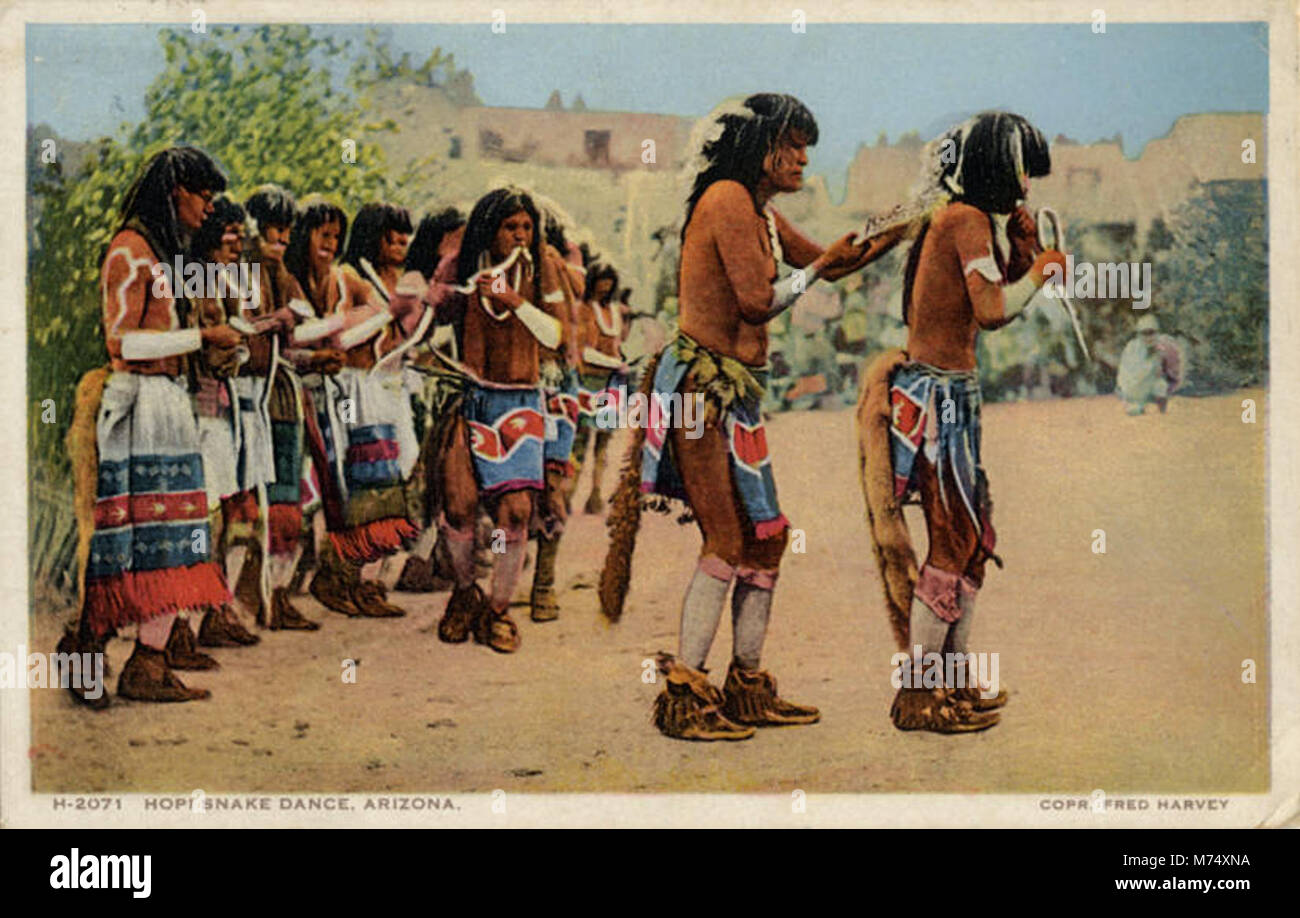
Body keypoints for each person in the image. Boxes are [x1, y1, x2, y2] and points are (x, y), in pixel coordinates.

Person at [606, 94, 903, 740]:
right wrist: (821, 267)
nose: (802, 159)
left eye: (806, 148)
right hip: (700, 390)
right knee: (726, 538)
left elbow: (835, 258)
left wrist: (906, 225)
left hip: (733, 393)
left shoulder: (760, 211)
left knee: (766, 537)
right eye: (793, 145)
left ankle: (745, 685)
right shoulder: (727, 202)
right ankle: (684, 696)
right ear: (760, 146)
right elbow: (758, 301)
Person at [857, 111, 1065, 733]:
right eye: (1022, 167)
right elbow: (995, 309)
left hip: (951, 395)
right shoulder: (966, 219)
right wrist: (1041, 271)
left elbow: (986, 301)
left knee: (970, 543)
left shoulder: (960, 221)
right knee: (952, 544)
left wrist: (1025, 254)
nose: (1028, 182)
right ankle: (922, 694)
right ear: (998, 167)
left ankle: (954, 681)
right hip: (938, 400)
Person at [64, 146, 239, 705]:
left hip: (167, 404)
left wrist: (216, 351)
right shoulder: (129, 252)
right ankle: (86, 650)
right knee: (127, 542)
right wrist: (202, 339)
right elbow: (123, 344)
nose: (208, 208)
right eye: (202, 195)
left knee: (171, 540)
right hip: (135, 406)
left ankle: (148, 662)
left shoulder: (165, 256)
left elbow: (170, 336)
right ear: (173, 193)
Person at [432, 186, 563, 653]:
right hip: (471, 401)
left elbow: (555, 333)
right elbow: (431, 318)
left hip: (521, 406)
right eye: (511, 227)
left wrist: (512, 300)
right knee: (460, 505)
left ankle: (499, 609)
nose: (521, 236)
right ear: (491, 228)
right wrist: (440, 298)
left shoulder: (540, 268)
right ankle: (465, 592)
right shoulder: (461, 267)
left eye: (527, 227)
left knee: (516, 512)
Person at [236, 185, 320, 631]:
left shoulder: (282, 274)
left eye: (287, 232)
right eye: (273, 230)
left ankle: (279, 594)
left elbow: (297, 323)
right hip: (249, 401)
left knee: (288, 508)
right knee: (247, 510)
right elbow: (240, 335)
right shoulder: (236, 273)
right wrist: (277, 320)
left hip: (284, 401)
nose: (280, 240)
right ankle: (237, 603)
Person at [187, 196, 263, 649]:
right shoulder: (190, 283)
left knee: (227, 517)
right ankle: (181, 624)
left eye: (240, 232)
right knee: (199, 519)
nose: (236, 241)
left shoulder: (223, 284)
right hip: (194, 412)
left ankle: (215, 610)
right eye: (227, 231)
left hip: (219, 413)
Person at [571, 263, 628, 514]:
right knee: (581, 441)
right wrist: (616, 362)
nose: (604, 287)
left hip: (613, 383)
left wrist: (619, 362)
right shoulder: (584, 310)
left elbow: (617, 344)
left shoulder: (615, 311)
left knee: (603, 443)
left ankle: (596, 493)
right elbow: (585, 350)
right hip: (589, 381)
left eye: (609, 282)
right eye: (601, 281)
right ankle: (568, 493)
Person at [1117, 314, 1183, 414]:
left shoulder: (1165, 346)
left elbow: (1175, 371)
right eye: (1144, 333)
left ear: (1157, 332)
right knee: (1134, 411)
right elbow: (1129, 378)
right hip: (1133, 388)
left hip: (1152, 385)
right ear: (1139, 334)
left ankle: (1162, 413)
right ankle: (1138, 404)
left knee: (1161, 385)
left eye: (1151, 333)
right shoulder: (1132, 349)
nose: (1148, 337)